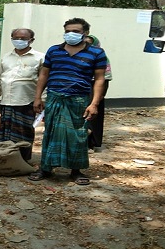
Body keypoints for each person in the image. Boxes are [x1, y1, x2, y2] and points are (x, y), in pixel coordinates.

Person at [30, 18, 107, 185]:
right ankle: (46, 168)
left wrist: (94, 104)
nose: (70, 34)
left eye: (76, 31)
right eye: (67, 31)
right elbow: (44, 75)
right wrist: (37, 97)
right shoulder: (54, 51)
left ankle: (76, 170)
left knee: (78, 135)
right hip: (55, 98)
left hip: (79, 100)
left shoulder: (96, 53)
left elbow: (100, 79)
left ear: (85, 33)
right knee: (51, 133)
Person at [0, 28, 45, 161]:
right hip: (7, 102)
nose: (19, 41)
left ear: (31, 40)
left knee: (24, 132)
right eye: (16, 38)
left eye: (23, 39)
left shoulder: (40, 58)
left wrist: (42, 99)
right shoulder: (6, 57)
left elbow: (45, 80)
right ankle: (6, 159)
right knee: (6, 132)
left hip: (26, 102)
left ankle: (23, 160)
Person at [84, 35, 112, 151]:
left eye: (89, 43)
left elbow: (105, 79)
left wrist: (99, 96)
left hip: (94, 86)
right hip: (80, 86)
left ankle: (92, 143)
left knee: (93, 117)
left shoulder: (101, 57)